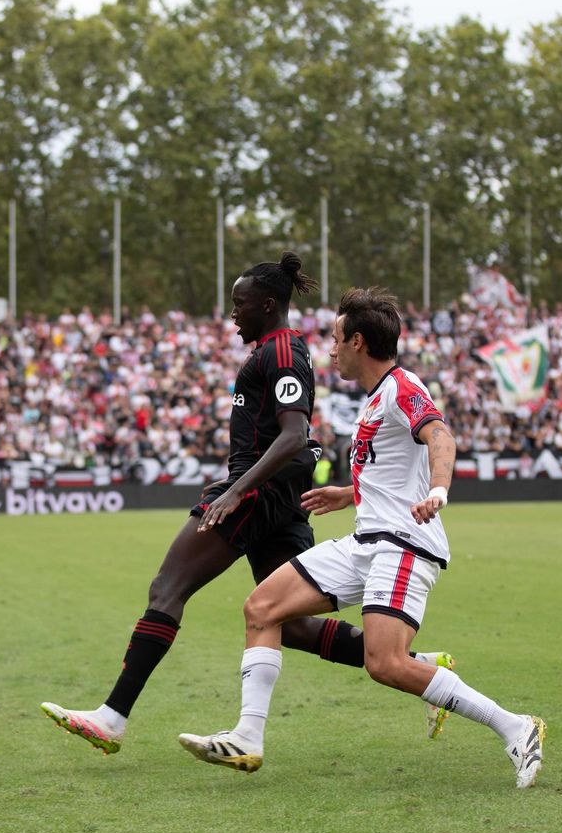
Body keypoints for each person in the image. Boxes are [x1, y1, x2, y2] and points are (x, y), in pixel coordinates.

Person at [40, 254, 452, 755]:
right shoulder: (273, 350)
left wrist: (235, 491)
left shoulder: (284, 352)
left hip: (256, 495)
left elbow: (295, 434)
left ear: (268, 304)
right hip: (272, 495)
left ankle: (112, 717)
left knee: (167, 587)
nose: (232, 313)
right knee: (289, 622)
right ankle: (421, 666)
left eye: (239, 304)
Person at [178, 286, 546, 788]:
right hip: (366, 542)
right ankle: (248, 736)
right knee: (262, 608)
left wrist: (439, 490)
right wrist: (349, 493)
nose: (329, 350)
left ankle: (517, 726)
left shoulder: (401, 386)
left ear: (357, 341)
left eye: (335, 339)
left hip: (403, 544)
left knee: (385, 663)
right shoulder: (376, 399)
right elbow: (394, 471)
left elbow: (440, 436)